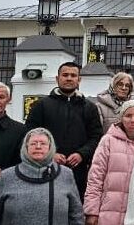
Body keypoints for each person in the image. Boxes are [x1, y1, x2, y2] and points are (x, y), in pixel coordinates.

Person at [24, 61, 103, 199]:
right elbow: (30, 134)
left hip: (78, 171)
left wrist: (81, 154)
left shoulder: (89, 107)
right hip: (45, 168)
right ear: (57, 78)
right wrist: (50, 154)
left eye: (73, 75)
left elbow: (96, 137)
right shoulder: (41, 105)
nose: (69, 78)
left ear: (79, 79)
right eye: (65, 75)